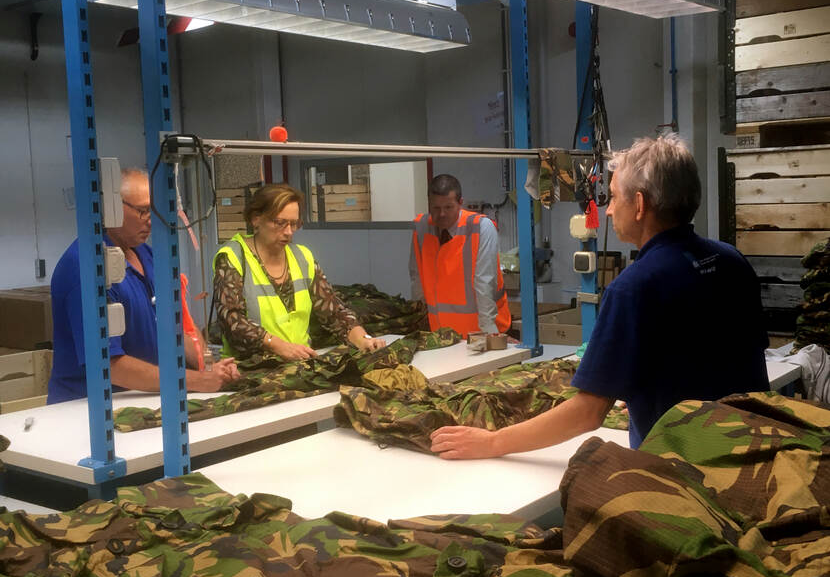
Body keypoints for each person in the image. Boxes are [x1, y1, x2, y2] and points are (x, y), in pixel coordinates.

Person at [430, 135, 770, 458]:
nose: (607, 211)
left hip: (684, 472)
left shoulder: (634, 287)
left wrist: (492, 442)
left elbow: (588, 413)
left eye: (614, 198)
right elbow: (720, 360)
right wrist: (644, 390)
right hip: (753, 452)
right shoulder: (731, 260)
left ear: (639, 205)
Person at [48, 168, 239, 404]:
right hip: (89, 408)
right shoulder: (86, 267)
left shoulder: (147, 255)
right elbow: (109, 366)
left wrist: (210, 369)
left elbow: (177, 328)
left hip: (147, 397)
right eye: (143, 211)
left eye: (155, 211)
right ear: (111, 208)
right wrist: (196, 381)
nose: (151, 220)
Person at [212, 183, 386, 360]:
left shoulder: (302, 257)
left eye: (294, 224)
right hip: (249, 366)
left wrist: (363, 339)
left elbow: (333, 311)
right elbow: (231, 320)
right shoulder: (233, 257)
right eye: (280, 223)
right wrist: (278, 346)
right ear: (256, 219)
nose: (289, 232)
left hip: (298, 363)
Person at [410, 174, 511, 338]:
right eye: (436, 208)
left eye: (448, 207)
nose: (442, 214)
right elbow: (417, 278)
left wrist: (490, 334)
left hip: (479, 332)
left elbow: (484, 283)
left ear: (460, 203)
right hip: (441, 334)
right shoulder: (422, 228)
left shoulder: (480, 228)